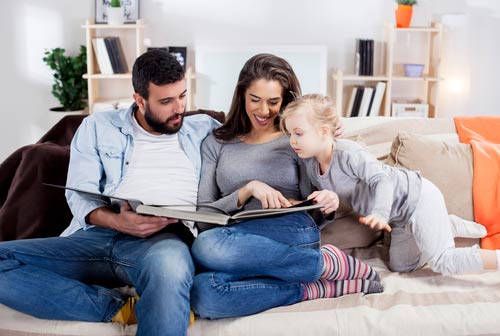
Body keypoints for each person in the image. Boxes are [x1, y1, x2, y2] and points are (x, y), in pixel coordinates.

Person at [0, 50, 220, 336]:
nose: (179, 108)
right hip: (97, 237)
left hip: (163, 240)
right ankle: (114, 308)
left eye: (182, 96)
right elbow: (80, 194)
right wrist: (118, 221)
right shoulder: (98, 126)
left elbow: (254, 145)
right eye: (166, 101)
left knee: (171, 272)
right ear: (139, 100)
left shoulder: (204, 128)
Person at [190, 54, 383, 320]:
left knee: (205, 247)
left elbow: (315, 202)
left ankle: (322, 263)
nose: (263, 111)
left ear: (286, 100)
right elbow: (204, 218)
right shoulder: (217, 142)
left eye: (273, 102)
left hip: (292, 231)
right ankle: (315, 284)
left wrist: (326, 201)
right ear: (241, 95)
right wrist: (248, 190)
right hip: (234, 244)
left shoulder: (297, 138)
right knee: (204, 293)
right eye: (255, 100)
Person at [280, 93, 500, 276]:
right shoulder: (310, 165)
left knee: (444, 261)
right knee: (402, 267)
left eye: (298, 134)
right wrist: (296, 204)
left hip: (417, 196)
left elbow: (381, 180)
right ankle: (443, 225)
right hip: (401, 219)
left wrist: (380, 213)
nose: (292, 141)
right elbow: (318, 199)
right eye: (290, 134)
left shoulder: (347, 152)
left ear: (324, 131)